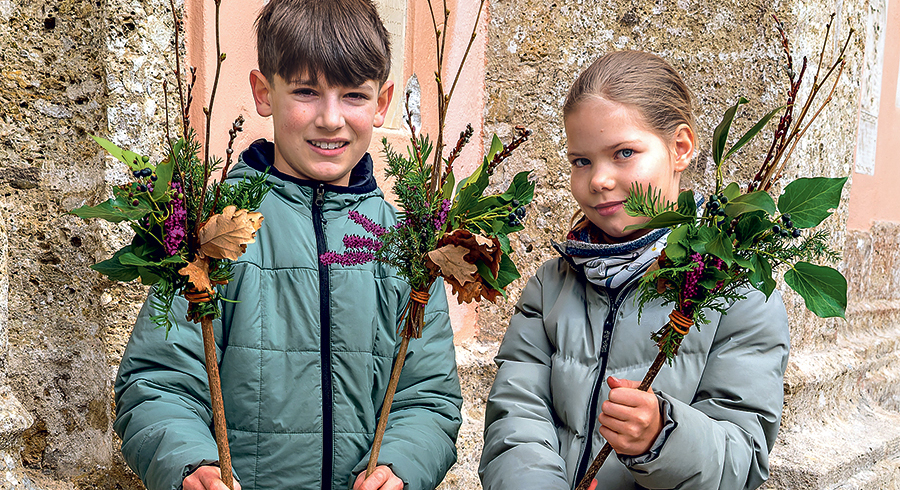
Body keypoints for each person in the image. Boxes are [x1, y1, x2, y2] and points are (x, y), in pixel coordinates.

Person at [114, 1, 462, 489]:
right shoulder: (211, 233)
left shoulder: (404, 250)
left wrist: (400, 467)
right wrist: (191, 463)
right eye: (305, 91)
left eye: (354, 96)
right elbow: (156, 383)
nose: (330, 118)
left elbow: (428, 397)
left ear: (382, 104)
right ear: (263, 93)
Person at [479, 50, 790, 490]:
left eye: (623, 153)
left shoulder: (736, 292)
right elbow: (517, 417)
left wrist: (662, 435)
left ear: (680, 148)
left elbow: (742, 458)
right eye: (581, 160)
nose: (599, 179)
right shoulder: (551, 287)